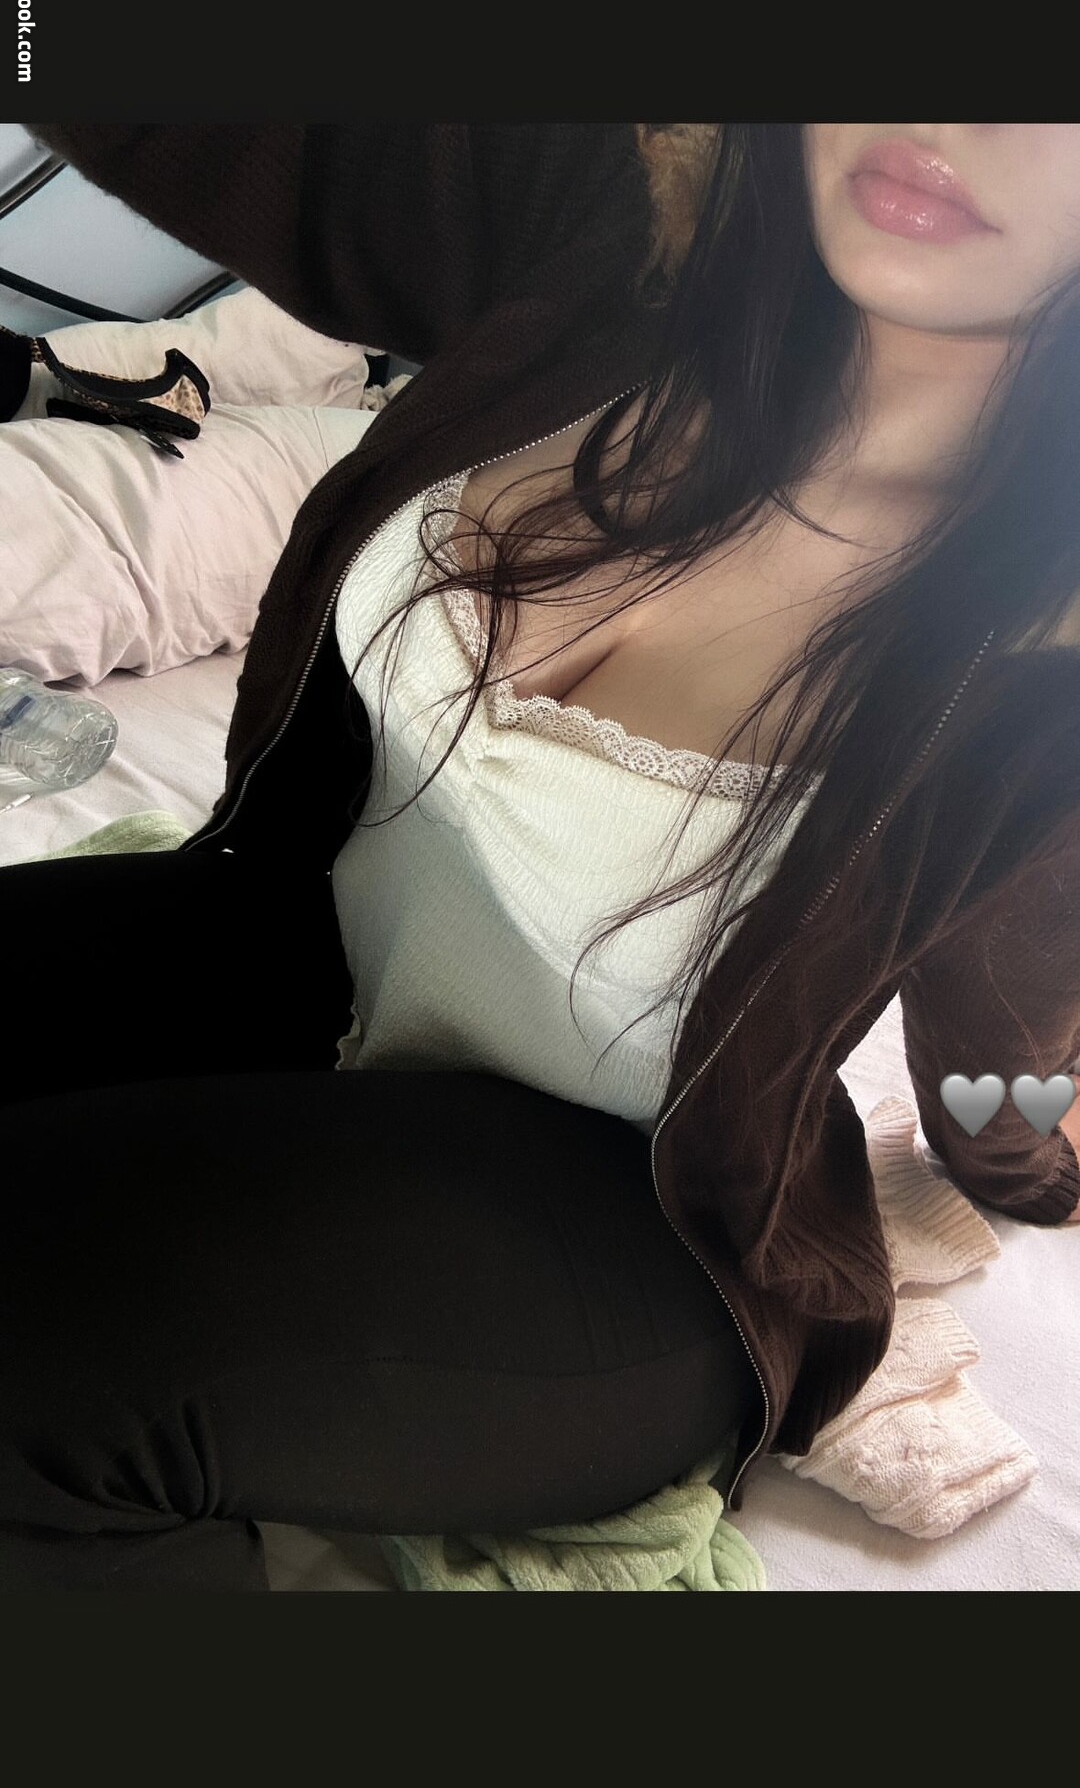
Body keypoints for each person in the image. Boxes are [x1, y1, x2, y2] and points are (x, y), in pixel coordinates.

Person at [1, 122, 1079, 1593]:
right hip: (296, 952)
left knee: (42, 1329)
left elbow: (1007, 1035)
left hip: (636, 1217)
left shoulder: (1047, 668)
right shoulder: (616, 245)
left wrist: (1029, 1163)